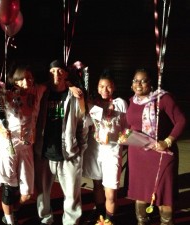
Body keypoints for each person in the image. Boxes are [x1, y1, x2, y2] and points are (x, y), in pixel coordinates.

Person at [125, 68, 186, 225]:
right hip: (137, 156)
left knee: (163, 195)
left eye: (143, 80)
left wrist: (167, 141)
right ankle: (142, 221)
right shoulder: (131, 101)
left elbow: (181, 121)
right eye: (135, 80)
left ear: (151, 83)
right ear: (131, 84)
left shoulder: (163, 99)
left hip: (161, 154)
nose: (139, 84)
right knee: (140, 193)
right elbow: (129, 126)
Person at [34, 59, 89, 225]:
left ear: (66, 73)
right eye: (52, 71)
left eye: (59, 71)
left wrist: (80, 147)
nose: (56, 74)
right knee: (42, 193)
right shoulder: (42, 93)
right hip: (44, 151)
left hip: (69, 152)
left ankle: (70, 222)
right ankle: (45, 219)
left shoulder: (74, 95)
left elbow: (83, 121)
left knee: (72, 193)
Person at [0, 64, 47, 225]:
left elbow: (53, 83)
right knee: (9, 188)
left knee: (27, 192)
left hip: (27, 148)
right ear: (14, 81)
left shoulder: (37, 91)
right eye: (22, 78)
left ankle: (14, 210)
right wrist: (2, 130)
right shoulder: (5, 95)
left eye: (29, 77)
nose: (26, 81)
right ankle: (9, 220)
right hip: (8, 146)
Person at [83, 70, 128, 225]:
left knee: (110, 191)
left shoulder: (120, 103)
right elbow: (86, 125)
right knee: (96, 185)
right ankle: (100, 212)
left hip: (112, 152)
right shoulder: (92, 103)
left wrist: (125, 136)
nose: (104, 90)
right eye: (101, 86)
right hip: (95, 150)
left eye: (108, 87)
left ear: (113, 87)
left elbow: (127, 127)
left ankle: (109, 220)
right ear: (97, 87)